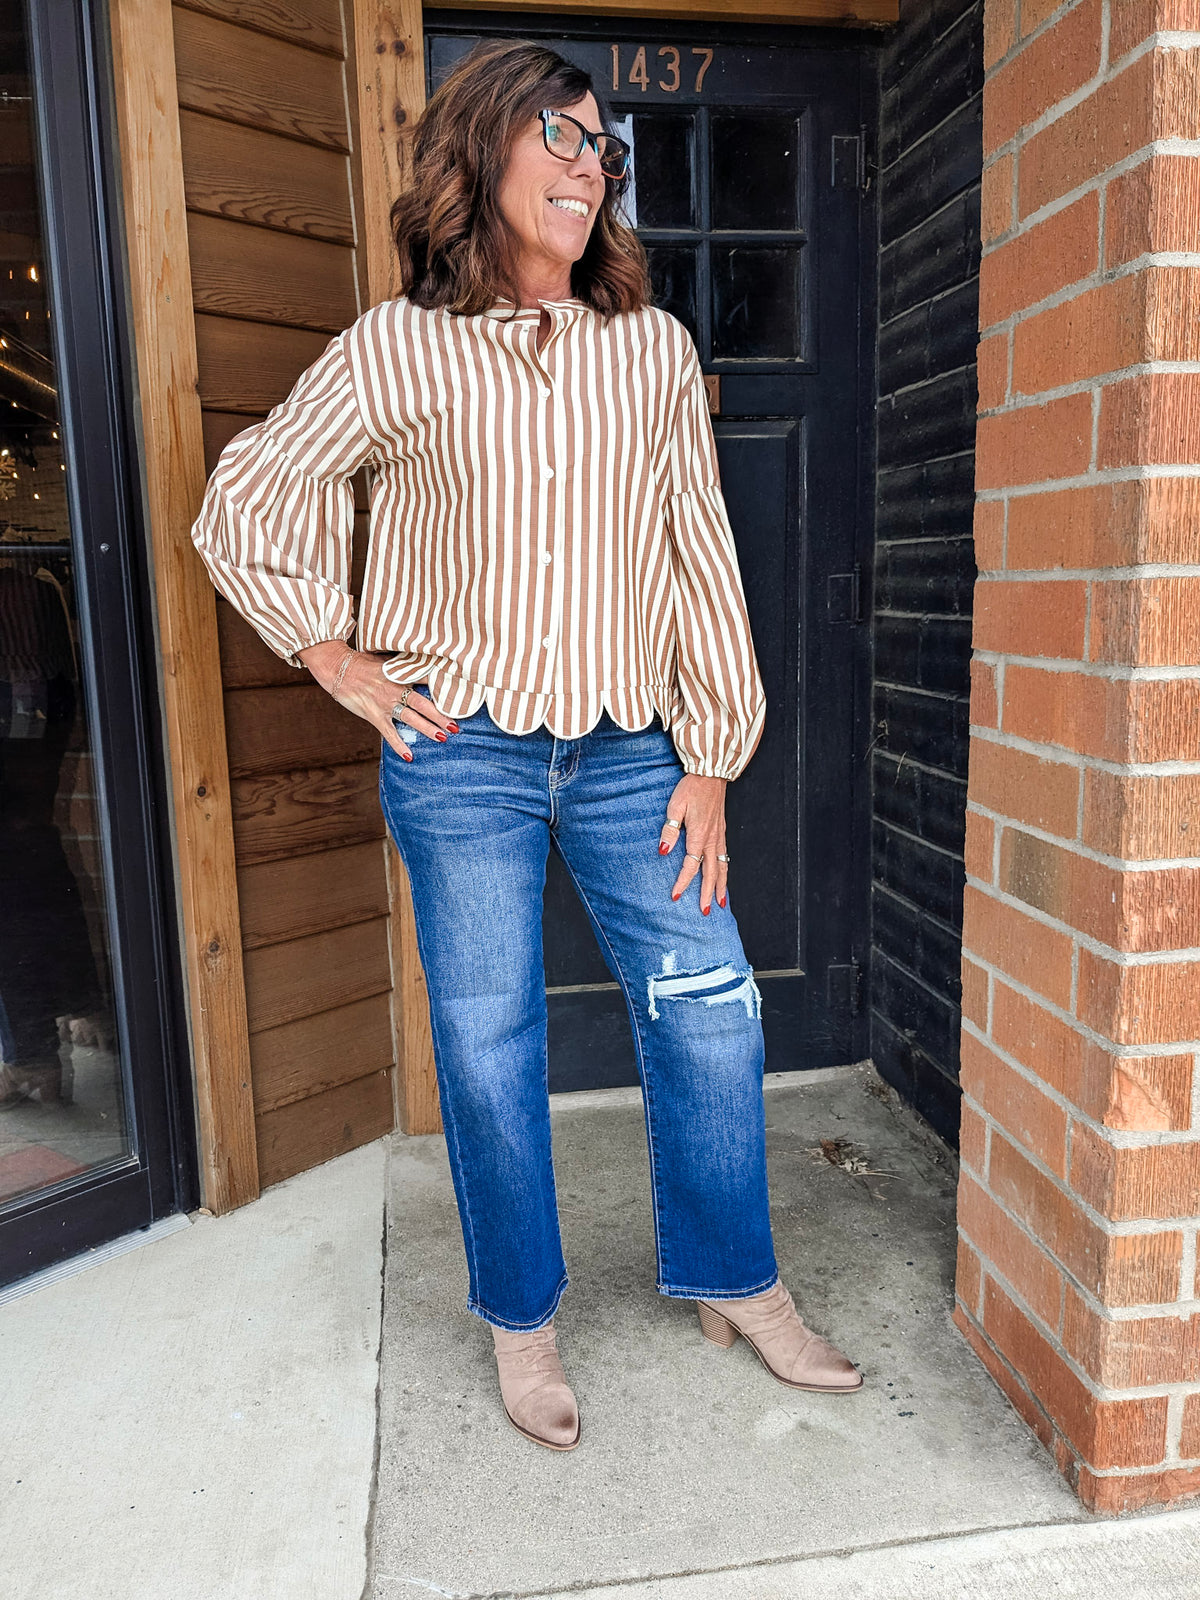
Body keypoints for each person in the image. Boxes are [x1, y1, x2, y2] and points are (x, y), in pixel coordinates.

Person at [191, 39, 862, 1452]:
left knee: (711, 1005)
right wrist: (334, 656)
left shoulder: (652, 349)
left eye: (601, 147)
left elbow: (695, 552)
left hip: (630, 746)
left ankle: (736, 1280)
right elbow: (250, 491)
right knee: (490, 1042)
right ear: (482, 150)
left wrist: (709, 756)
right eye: (560, 136)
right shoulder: (400, 346)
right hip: (462, 752)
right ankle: (522, 1316)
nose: (590, 165)